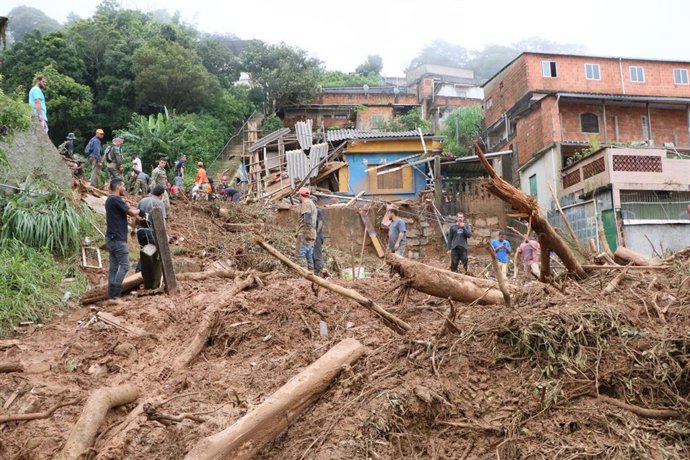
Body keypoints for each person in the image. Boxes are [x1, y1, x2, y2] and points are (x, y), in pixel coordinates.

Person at [105, 178, 145, 300]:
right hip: (118, 239)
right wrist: (140, 211)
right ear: (117, 187)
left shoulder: (109, 200)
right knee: (125, 266)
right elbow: (132, 213)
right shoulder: (116, 199)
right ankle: (116, 294)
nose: (124, 189)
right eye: (123, 186)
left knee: (113, 267)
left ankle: (111, 294)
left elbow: (127, 208)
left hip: (111, 238)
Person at [134, 185, 167, 273]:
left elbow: (137, 216)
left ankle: (145, 274)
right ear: (161, 194)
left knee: (146, 250)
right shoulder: (159, 203)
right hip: (151, 232)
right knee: (150, 251)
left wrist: (134, 229)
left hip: (140, 231)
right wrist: (164, 235)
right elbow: (162, 220)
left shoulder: (142, 200)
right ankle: (139, 272)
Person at [296, 187, 317, 271]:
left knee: (301, 254)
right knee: (309, 255)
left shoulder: (306, 203)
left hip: (305, 233)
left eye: (298, 195)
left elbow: (307, 218)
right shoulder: (312, 203)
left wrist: (306, 233)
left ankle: (304, 276)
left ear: (300, 195)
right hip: (312, 233)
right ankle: (311, 276)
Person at [313, 206, 326, 276]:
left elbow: (320, 222)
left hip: (317, 237)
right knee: (313, 254)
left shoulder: (318, 211)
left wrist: (316, 233)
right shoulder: (313, 211)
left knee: (317, 254)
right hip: (315, 236)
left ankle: (319, 271)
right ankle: (317, 271)